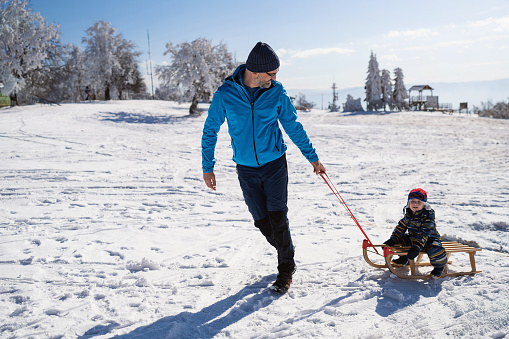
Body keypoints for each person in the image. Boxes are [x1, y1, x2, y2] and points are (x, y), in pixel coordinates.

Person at [201, 42, 326, 293]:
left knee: (278, 218)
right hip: (245, 169)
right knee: (262, 222)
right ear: (255, 72)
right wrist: (208, 167)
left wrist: (312, 158)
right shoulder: (226, 94)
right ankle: (286, 249)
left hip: (274, 165)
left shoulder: (277, 94)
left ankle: (285, 270)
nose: (275, 78)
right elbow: (210, 130)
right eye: (272, 74)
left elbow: (293, 127)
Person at [383, 188, 448, 279]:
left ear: (424, 204)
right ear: (408, 203)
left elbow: (424, 233)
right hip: (414, 240)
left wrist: (416, 248)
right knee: (401, 238)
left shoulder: (428, 216)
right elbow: (400, 227)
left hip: (429, 240)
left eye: (419, 202)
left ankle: (439, 267)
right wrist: (393, 239)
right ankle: (404, 258)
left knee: (435, 249)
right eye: (412, 201)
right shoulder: (408, 214)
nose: (415, 204)